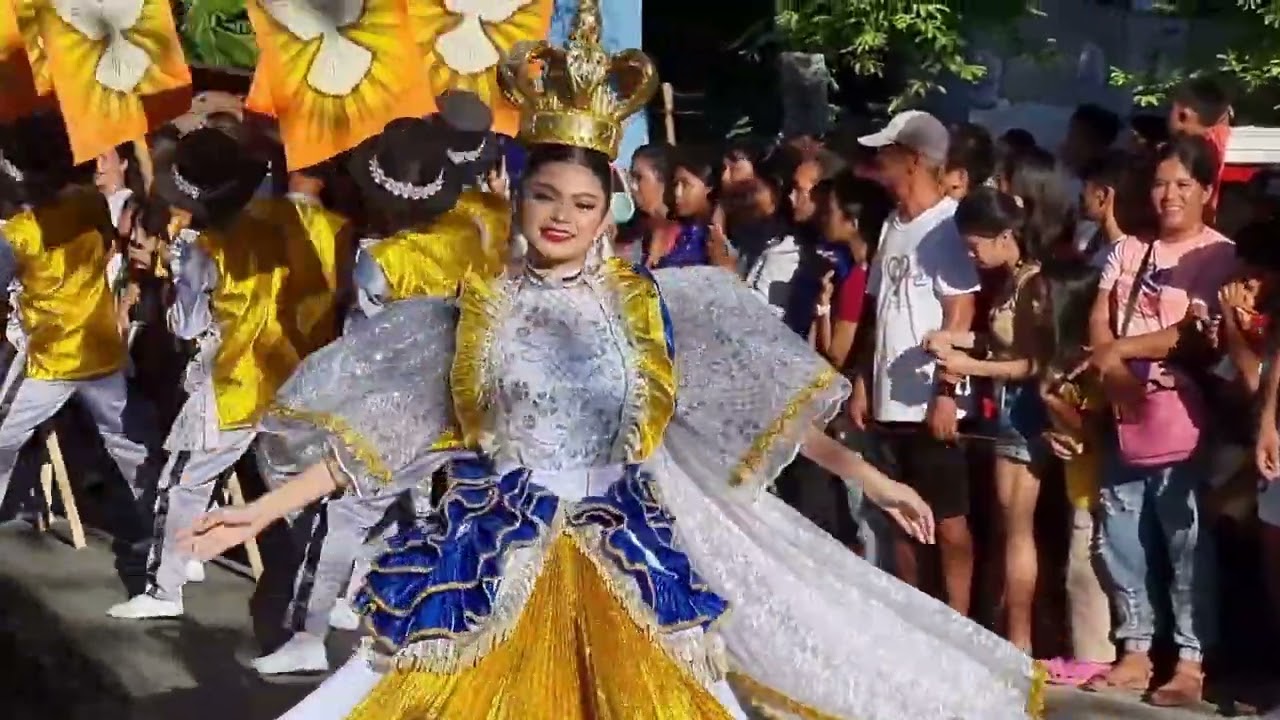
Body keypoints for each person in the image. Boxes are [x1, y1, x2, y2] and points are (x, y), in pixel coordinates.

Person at [180, 4, 1044, 717]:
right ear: (518, 202)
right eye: (545, 195)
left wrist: (872, 477)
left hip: (629, 554)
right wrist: (259, 514)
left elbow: (747, 416)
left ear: (607, 215)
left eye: (583, 202)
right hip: (492, 558)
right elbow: (380, 436)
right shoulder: (467, 315)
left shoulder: (659, 305)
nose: (560, 215)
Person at [106, 125, 350, 620]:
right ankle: (334, 595)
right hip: (306, 382)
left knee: (184, 483)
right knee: (308, 495)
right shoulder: (339, 231)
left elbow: (187, 323)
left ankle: (164, 589)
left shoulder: (206, 245)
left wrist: (178, 276)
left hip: (234, 382)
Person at [1082, 135, 1237, 705]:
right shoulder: (1128, 251)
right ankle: (1137, 648)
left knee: (1185, 539)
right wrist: (1109, 360)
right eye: (1160, 182)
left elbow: (1192, 336)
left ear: (1205, 190)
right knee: (1121, 534)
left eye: (1182, 184)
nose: (1168, 195)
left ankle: (1191, 660)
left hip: (1182, 419)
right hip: (1122, 415)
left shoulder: (1218, 255)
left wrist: (1117, 354)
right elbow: (1100, 315)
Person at [849, 109, 982, 616]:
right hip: (888, 396)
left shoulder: (947, 225)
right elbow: (876, 308)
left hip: (930, 401)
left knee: (948, 521)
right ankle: (916, 617)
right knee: (900, 516)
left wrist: (947, 392)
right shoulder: (891, 225)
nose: (879, 164)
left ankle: (960, 618)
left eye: (887, 154)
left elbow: (961, 310)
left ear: (913, 160)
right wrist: (864, 379)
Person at [0, 113, 162, 522]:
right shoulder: (89, 201)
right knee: (129, 443)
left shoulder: (18, 233)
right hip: (101, 348)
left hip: (48, 358)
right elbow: (108, 246)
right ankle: (170, 529)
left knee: (2, 436)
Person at [925, 188, 1047, 654]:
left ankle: (1020, 641)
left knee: (1018, 528)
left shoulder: (1034, 284)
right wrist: (959, 340)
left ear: (1005, 235)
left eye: (976, 245)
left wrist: (970, 365)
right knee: (1008, 525)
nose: (971, 255)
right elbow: (1003, 344)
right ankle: (1013, 633)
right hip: (1008, 409)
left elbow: (1032, 363)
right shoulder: (1012, 282)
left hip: (1025, 411)